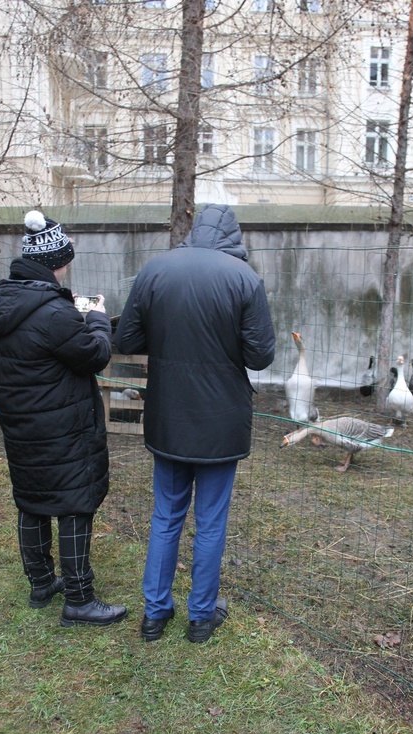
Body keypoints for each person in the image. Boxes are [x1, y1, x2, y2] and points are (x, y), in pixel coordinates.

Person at [114, 204, 275, 643]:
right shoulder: (245, 279)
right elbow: (261, 356)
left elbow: (126, 339)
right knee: (211, 521)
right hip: (221, 422)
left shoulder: (155, 270)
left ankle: (154, 615)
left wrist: (167, 335)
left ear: (194, 230)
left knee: (166, 515)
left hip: (169, 415)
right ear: (233, 236)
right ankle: (201, 618)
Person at [0, 210, 127, 628]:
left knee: (33, 499)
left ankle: (41, 583)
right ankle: (79, 599)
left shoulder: (1, 304)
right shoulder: (54, 313)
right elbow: (94, 355)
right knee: (75, 504)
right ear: (58, 261)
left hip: (22, 425)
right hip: (63, 429)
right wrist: (98, 319)